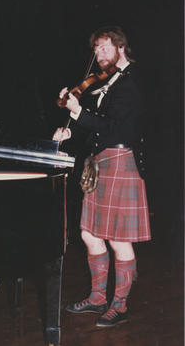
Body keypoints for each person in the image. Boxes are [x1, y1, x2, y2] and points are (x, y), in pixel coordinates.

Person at [53, 26, 151, 328]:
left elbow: (118, 129)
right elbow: (98, 126)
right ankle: (98, 298)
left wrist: (78, 111)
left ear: (121, 47)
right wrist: (71, 129)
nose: (98, 54)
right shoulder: (108, 82)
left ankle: (118, 305)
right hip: (100, 162)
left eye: (104, 48)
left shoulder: (132, 81)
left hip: (120, 160)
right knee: (89, 234)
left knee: (118, 239)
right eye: (96, 49)